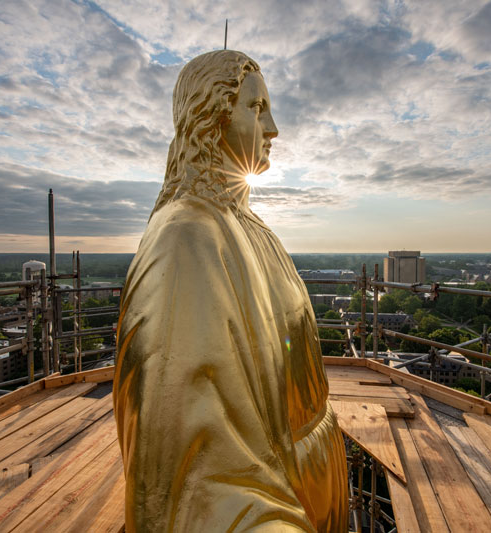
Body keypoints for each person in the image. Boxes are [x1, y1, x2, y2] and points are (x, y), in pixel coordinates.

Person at [113, 50, 348, 532]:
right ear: (212, 116)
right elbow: (203, 478)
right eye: (256, 108)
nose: (274, 128)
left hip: (310, 488)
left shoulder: (250, 229)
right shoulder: (188, 240)